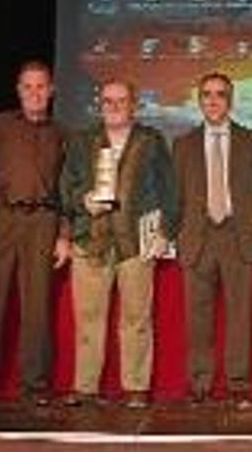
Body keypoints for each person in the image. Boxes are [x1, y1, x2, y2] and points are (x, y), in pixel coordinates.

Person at [58, 79, 177, 409]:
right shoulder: (82, 141)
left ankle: (136, 387)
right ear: (100, 104)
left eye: (120, 101)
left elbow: (170, 190)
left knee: (137, 318)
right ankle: (85, 387)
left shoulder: (151, 141)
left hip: (136, 241)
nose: (113, 106)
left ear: (133, 105)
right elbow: (65, 187)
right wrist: (84, 201)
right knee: (88, 317)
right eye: (107, 101)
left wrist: (166, 232)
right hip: (90, 240)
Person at [0, 60, 68, 407]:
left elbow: (67, 189)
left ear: (51, 91)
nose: (35, 93)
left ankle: (35, 385)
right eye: (28, 87)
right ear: (19, 91)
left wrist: (64, 233)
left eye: (41, 87)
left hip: (42, 223)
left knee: (37, 309)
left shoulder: (62, 134)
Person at [172, 73, 252, 409]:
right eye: (207, 95)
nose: (213, 101)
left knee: (240, 316)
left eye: (220, 95)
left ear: (231, 100)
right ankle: (199, 383)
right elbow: (176, 196)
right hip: (197, 239)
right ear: (199, 100)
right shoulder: (183, 143)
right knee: (197, 317)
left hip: (237, 237)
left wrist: (246, 221)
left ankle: (238, 384)